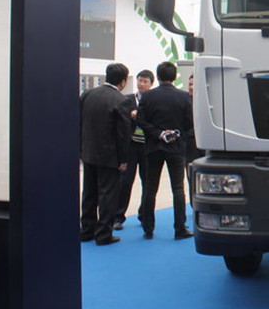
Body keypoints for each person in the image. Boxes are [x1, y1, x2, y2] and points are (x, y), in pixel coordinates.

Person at [137, 61, 194, 240]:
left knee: (150, 188)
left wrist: (159, 134)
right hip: (176, 148)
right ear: (175, 77)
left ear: (158, 76)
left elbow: (140, 120)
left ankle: (148, 228)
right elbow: (190, 124)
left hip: (153, 147)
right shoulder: (184, 97)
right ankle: (180, 228)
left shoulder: (147, 96)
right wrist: (176, 134)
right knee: (178, 188)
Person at [79, 62, 131, 246]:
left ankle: (86, 230)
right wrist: (123, 159)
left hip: (88, 152)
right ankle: (103, 234)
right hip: (109, 156)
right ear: (123, 81)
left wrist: (80, 148)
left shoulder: (87, 95)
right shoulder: (121, 100)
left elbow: (79, 122)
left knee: (89, 193)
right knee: (108, 195)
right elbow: (123, 133)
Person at [113, 69, 154, 230]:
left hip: (147, 147)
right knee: (125, 182)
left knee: (148, 183)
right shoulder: (127, 99)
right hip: (130, 146)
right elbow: (119, 119)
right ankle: (118, 217)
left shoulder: (153, 100)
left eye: (145, 82)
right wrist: (129, 115)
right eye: (139, 80)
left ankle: (144, 215)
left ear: (151, 84)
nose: (141, 84)